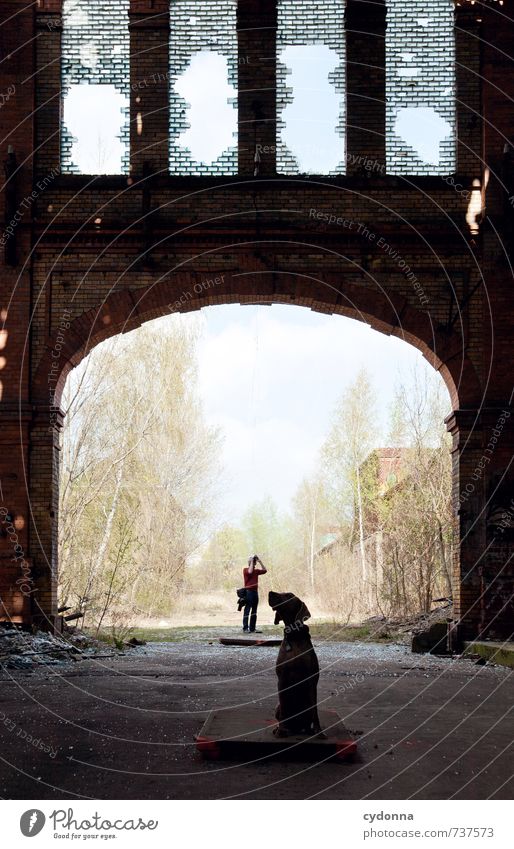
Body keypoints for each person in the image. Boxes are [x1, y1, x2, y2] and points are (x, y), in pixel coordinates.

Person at [242, 555, 267, 633]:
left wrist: (260, 561)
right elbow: (250, 572)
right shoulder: (245, 570)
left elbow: (265, 570)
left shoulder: (256, 571)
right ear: (249, 562)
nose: (254, 561)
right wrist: (252, 560)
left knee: (254, 611)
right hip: (248, 592)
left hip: (255, 592)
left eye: (254, 561)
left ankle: (252, 628)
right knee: (247, 610)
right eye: (252, 561)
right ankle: (245, 628)